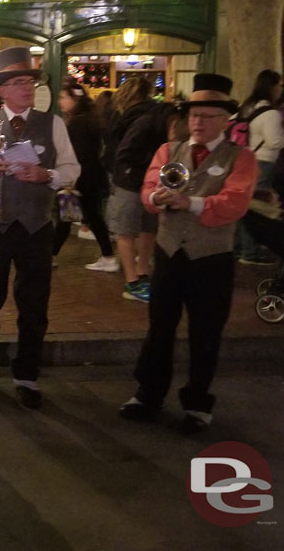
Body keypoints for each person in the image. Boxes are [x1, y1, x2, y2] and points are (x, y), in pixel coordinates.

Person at [120, 73, 257, 433]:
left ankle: (197, 404)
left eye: (207, 116)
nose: (197, 122)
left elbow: (234, 202)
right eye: (193, 115)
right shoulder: (169, 151)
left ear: (224, 119)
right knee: (159, 328)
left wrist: (190, 202)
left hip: (211, 257)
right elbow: (148, 189)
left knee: (205, 332)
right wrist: (156, 198)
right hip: (168, 252)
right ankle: (148, 393)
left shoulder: (240, 158)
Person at [0, 46, 80, 408]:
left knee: (34, 303)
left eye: (30, 81)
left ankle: (27, 375)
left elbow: (73, 169)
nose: (27, 88)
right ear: (2, 90)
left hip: (36, 225)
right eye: (19, 82)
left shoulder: (52, 123)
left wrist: (48, 175)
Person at [104, 77, 159, 302]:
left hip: (127, 180)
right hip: (151, 179)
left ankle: (133, 281)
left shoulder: (126, 117)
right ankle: (141, 274)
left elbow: (120, 151)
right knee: (148, 228)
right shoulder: (156, 115)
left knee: (125, 231)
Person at [52, 82, 116, 270]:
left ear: (75, 99)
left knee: (68, 216)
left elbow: (80, 153)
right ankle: (108, 256)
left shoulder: (79, 122)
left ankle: (51, 255)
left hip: (81, 177)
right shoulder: (90, 118)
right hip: (91, 176)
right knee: (89, 216)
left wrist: (71, 180)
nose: (60, 101)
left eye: (64, 97)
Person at [234, 69, 283, 264]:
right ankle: (250, 252)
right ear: (272, 87)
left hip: (246, 159)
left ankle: (239, 248)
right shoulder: (271, 114)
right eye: (279, 85)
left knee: (244, 204)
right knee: (256, 207)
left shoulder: (248, 106)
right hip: (263, 161)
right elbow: (273, 142)